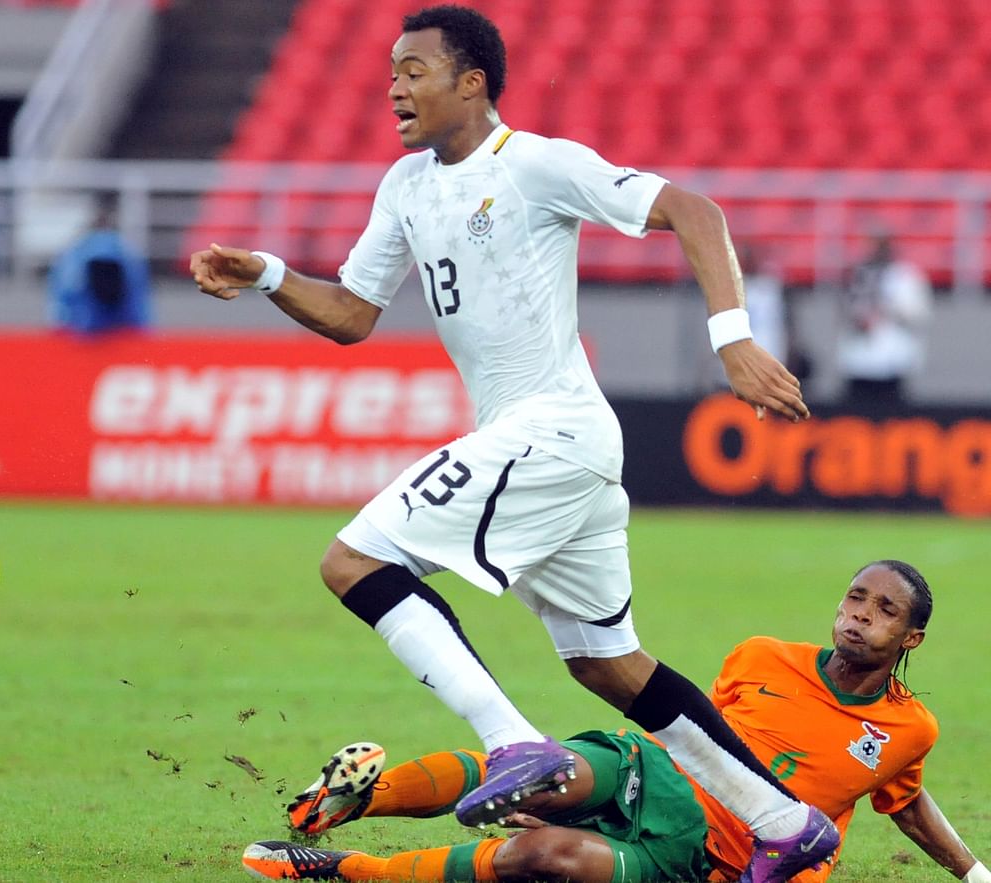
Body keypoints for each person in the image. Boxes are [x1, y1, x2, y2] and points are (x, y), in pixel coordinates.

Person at [191, 7, 824, 881]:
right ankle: (786, 820)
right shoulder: (406, 186)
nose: (394, 86)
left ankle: (513, 742)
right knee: (609, 664)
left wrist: (733, 338)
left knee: (354, 561)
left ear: (472, 82)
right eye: (391, 71)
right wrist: (265, 274)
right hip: (553, 444)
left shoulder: (534, 164)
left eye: (414, 70)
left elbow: (692, 208)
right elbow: (351, 313)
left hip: (551, 429)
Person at [243, 561, 990, 883]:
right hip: (656, 771)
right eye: (857, 596)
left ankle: (342, 868)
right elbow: (694, 726)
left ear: (910, 639)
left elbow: (907, 801)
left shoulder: (908, 730)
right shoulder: (760, 655)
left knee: (541, 857)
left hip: (704, 859)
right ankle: (353, 800)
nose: (862, 613)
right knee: (542, 772)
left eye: (885, 609)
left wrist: (972, 870)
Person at [837, 231, 932, 406]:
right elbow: (845, 309)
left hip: (892, 359)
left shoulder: (905, 275)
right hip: (859, 358)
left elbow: (918, 312)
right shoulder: (856, 274)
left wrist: (887, 308)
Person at [48, 194, 152, 335]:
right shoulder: (125, 251)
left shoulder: (77, 253)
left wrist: (61, 322)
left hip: (98, 320)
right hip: (98, 320)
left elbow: (65, 291)